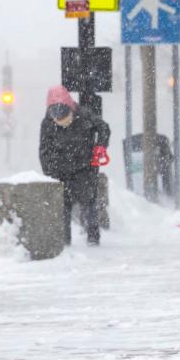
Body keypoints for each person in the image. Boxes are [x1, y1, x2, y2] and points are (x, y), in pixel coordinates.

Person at [39, 86, 110, 246]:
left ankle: (93, 239)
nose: (64, 123)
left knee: (89, 203)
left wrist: (101, 146)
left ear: (72, 110)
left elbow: (104, 128)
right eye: (59, 121)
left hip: (85, 168)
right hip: (60, 172)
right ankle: (65, 242)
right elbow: (44, 152)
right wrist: (50, 174)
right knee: (63, 208)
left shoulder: (85, 116)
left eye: (67, 118)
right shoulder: (47, 124)